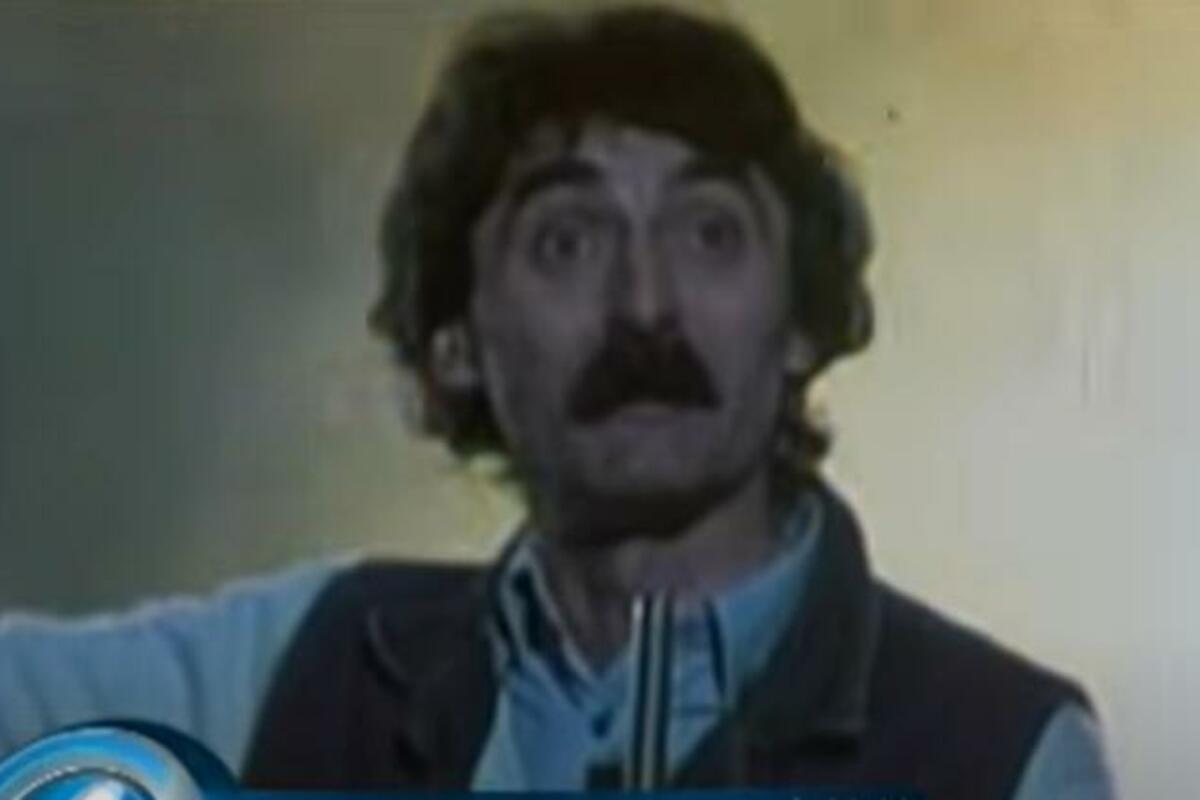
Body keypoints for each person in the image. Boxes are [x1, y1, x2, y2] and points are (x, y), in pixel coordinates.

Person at [0, 5, 1116, 798]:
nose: (646, 305)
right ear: (457, 345)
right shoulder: (319, 665)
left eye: (710, 233)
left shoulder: (999, 754)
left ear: (800, 322)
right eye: (567, 241)